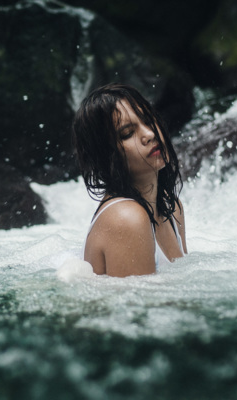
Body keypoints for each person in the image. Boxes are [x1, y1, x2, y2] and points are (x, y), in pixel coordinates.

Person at [73, 83, 187, 277]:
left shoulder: (172, 207)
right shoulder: (127, 218)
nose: (149, 134)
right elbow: (140, 307)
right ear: (106, 155)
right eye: (127, 133)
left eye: (148, 121)